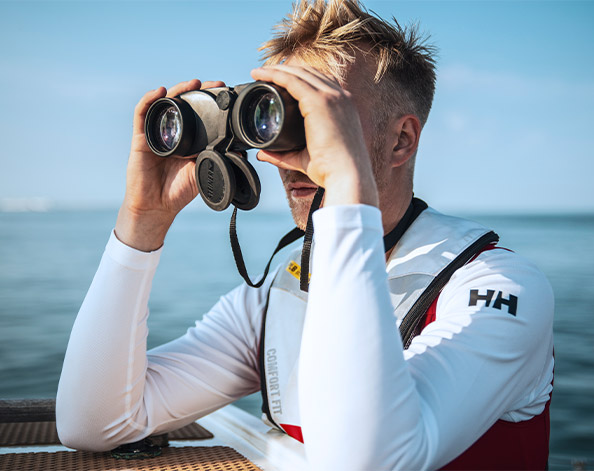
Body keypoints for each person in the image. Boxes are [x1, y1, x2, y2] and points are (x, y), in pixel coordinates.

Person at [56, 0, 554, 469]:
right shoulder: (282, 290)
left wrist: (345, 189)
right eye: (282, 115)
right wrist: (142, 221)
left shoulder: (499, 287)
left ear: (401, 139)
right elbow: (95, 423)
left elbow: (366, 461)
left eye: (321, 115)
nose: (288, 150)